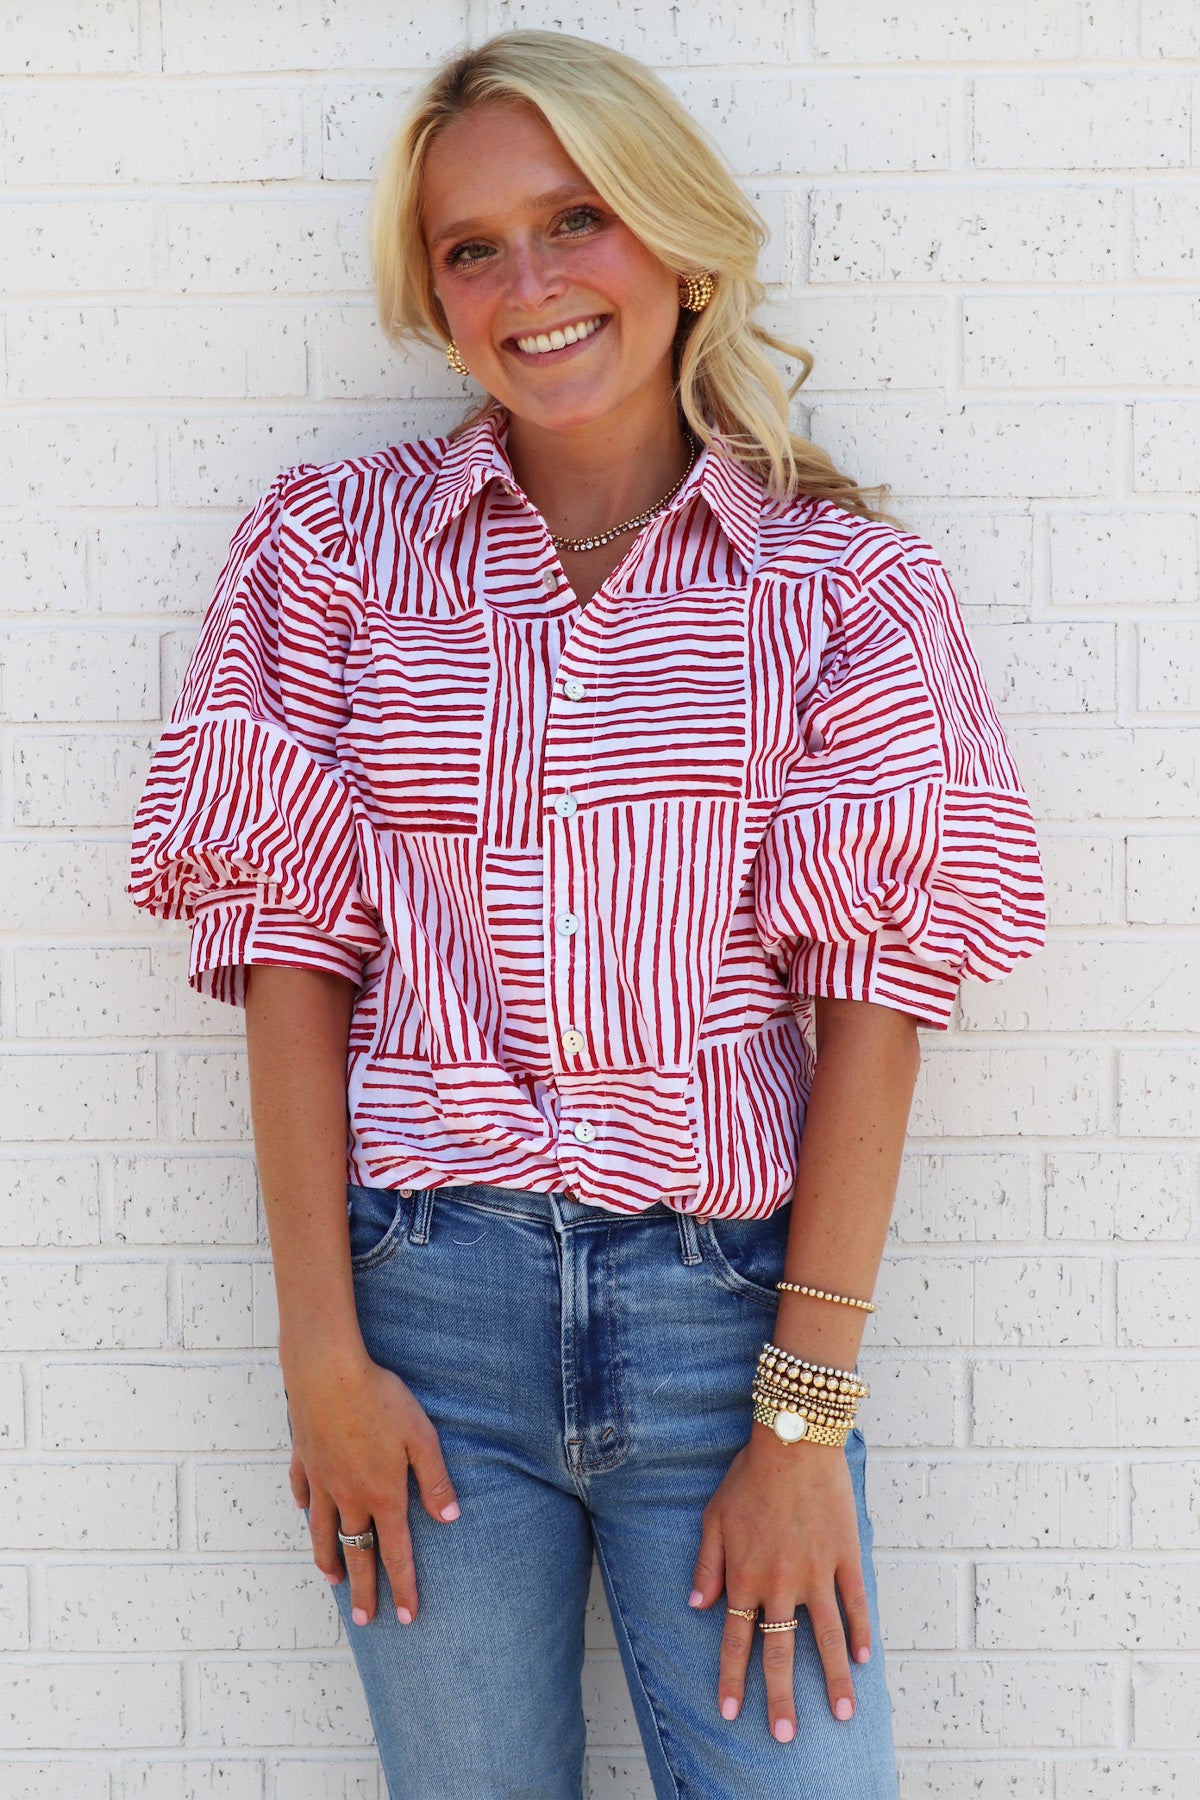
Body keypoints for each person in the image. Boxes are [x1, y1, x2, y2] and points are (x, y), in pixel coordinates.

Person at [129, 29, 1044, 1800]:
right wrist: (321, 1359)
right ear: (435, 295)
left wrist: (802, 1425)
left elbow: (877, 1002)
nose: (530, 283)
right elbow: (289, 955)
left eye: (578, 219)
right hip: (425, 1324)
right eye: (473, 248)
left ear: (678, 242)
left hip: (727, 1330)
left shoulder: (842, 588)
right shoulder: (333, 553)